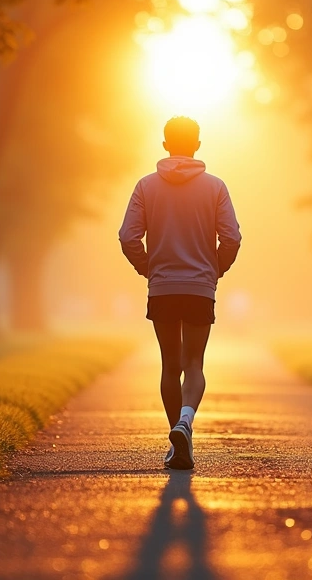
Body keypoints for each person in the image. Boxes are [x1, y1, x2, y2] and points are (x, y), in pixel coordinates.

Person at [118, 116, 242, 470]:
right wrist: (216, 269)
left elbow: (128, 237)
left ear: (164, 144)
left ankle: (176, 438)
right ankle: (185, 423)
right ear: (198, 145)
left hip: (163, 287)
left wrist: (148, 267)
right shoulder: (215, 187)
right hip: (201, 287)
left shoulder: (146, 187)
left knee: (170, 366)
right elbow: (231, 237)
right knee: (194, 364)